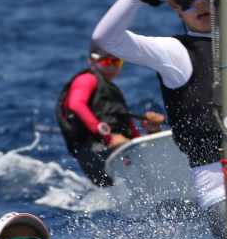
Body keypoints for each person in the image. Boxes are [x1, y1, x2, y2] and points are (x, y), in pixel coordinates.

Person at [90, 0, 227, 239]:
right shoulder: (176, 53)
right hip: (223, 195)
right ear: (174, 5)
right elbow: (105, 40)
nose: (201, 3)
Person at [54, 46, 165, 186]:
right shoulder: (87, 79)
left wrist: (152, 132)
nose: (112, 66)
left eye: (117, 62)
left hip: (116, 150)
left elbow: (132, 135)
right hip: (94, 151)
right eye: (107, 62)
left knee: (149, 152)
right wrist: (107, 137)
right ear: (92, 62)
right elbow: (76, 104)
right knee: (130, 152)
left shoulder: (112, 92)